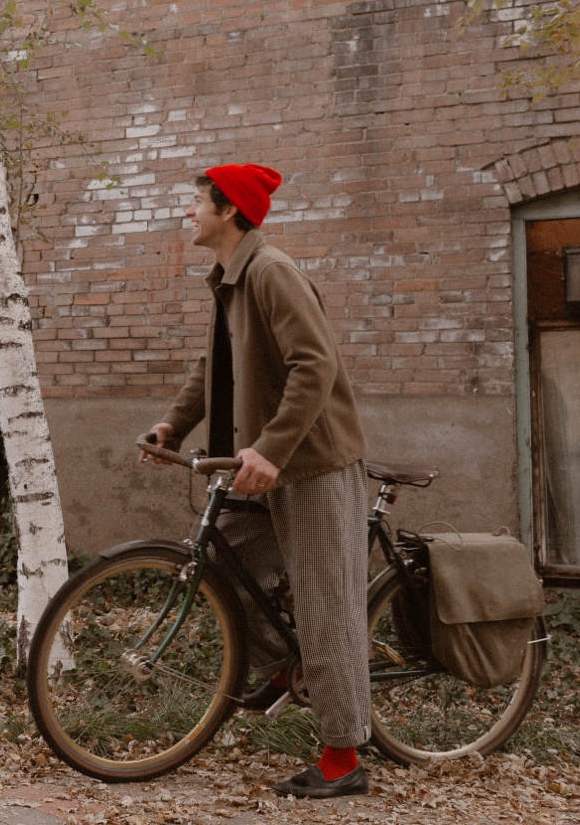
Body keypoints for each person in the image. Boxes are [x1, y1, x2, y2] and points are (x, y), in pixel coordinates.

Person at [143, 164, 370, 799]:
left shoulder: (271, 272)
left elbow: (315, 365)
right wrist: (174, 425)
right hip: (262, 462)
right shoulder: (232, 278)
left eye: (195, 202)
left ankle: (343, 757)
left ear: (229, 211)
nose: (188, 212)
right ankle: (288, 664)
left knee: (326, 606)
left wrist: (271, 448)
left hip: (312, 461)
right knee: (231, 563)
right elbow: (213, 364)